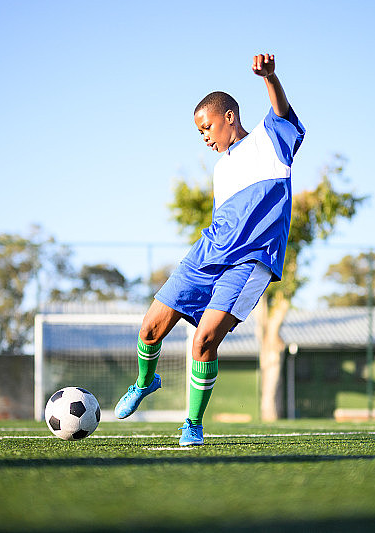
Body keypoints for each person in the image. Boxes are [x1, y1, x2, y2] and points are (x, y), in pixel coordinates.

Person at [114, 53, 305, 446]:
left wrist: (270, 77)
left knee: (204, 340)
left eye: (207, 126)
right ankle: (143, 383)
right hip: (207, 254)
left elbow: (282, 112)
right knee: (149, 329)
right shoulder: (221, 168)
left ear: (229, 116)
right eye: (199, 131)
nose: (204, 135)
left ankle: (193, 423)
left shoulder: (272, 140)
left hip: (249, 261)